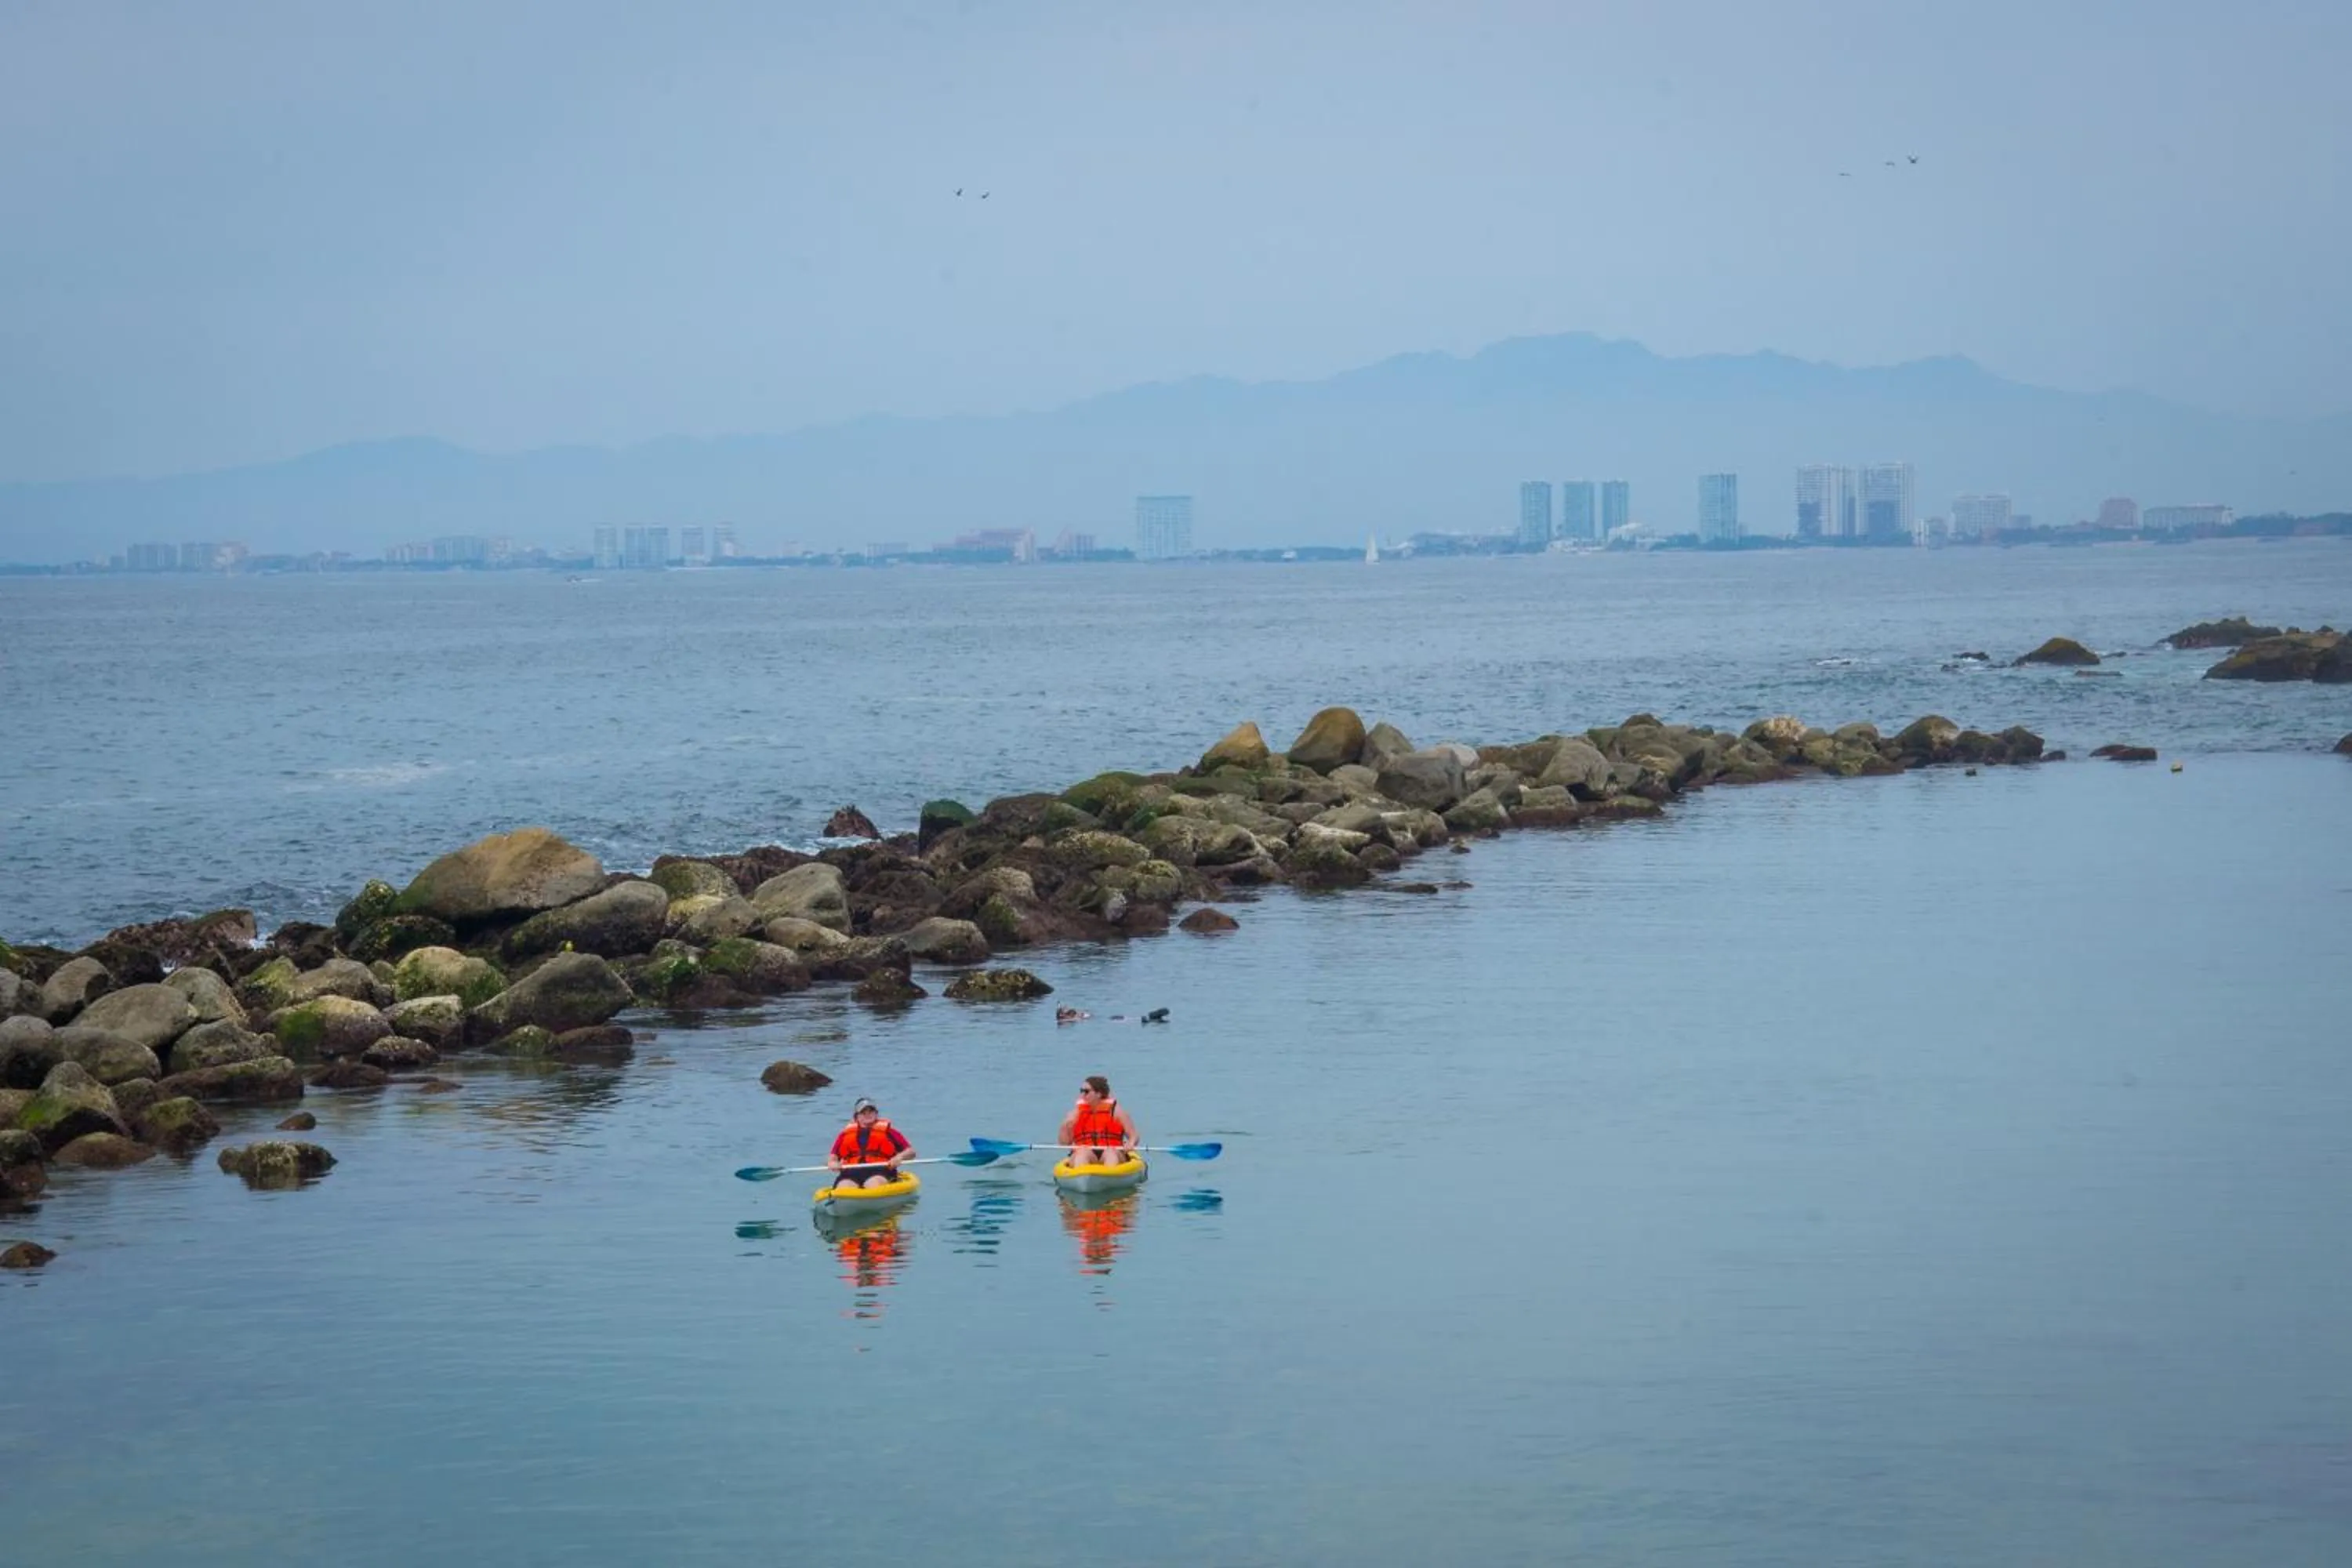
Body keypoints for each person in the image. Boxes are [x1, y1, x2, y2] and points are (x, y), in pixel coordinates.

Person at [827, 1098, 913, 1189]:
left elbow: (911, 1152)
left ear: (876, 1114)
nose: (867, 1115)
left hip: (881, 1170)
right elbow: (833, 1156)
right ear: (857, 1117)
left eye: (871, 1112)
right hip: (851, 1172)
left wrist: (900, 1157)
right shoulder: (845, 1135)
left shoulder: (890, 1132)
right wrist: (832, 1162)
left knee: (873, 1184)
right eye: (863, 1113)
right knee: (844, 1187)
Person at [1058, 1075, 1138, 1167]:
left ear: (1099, 1094)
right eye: (1081, 1091)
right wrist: (1065, 1126)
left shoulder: (1117, 1112)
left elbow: (1134, 1136)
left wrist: (1131, 1143)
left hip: (1113, 1152)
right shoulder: (1074, 1114)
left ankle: (1110, 1176)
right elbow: (1064, 1143)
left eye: (1086, 1092)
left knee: (1110, 1152)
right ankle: (1083, 1176)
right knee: (1083, 1152)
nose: (1082, 1095)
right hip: (1084, 1153)